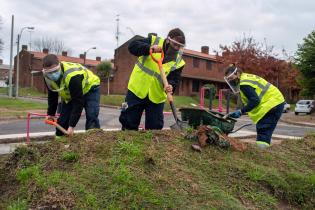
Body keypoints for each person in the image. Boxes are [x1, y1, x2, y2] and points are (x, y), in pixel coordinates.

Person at [119, 28, 186, 130]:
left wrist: (171, 85)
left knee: (155, 129)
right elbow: (132, 46)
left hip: (157, 97)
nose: (177, 48)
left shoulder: (179, 62)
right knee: (129, 123)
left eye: (180, 46)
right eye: (175, 44)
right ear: (168, 40)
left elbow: (174, 79)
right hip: (137, 90)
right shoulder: (153, 40)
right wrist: (148, 48)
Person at [224, 64, 285, 148]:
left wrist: (241, 111)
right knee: (264, 131)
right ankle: (263, 152)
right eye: (229, 79)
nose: (231, 81)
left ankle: (262, 154)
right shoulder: (246, 78)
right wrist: (242, 111)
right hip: (275, 102)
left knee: (263, 131)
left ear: (237, 74)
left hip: (271, 104)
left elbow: (255, 101)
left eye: (231, 78)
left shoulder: (244, 84)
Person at [42, 54, 101, 137]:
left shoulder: (72, 76)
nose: (52, 74)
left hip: (90, 87)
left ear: (59, 66)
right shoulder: (47, 77)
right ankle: (60, 143)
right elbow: (52, 95)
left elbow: (78, 103)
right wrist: (51, 114)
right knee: (62, 121)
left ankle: (93, 140)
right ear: (45, 71)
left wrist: (72, 126)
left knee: (91, 115)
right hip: (71, 93)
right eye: (49, 72)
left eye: (55, 71)